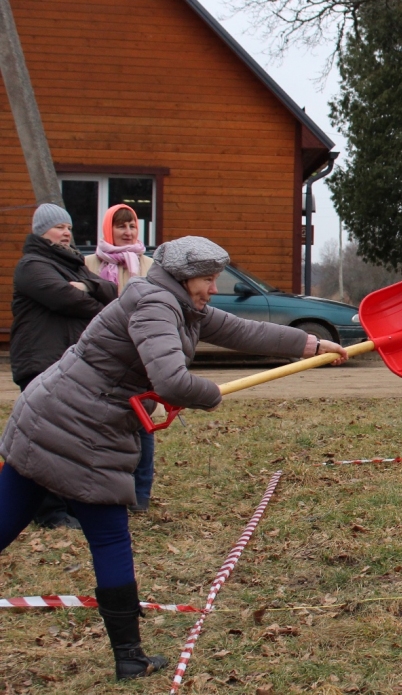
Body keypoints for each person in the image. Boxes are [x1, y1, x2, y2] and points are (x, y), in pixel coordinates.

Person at [0, 236, 347, 680]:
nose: (214, 288)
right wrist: (211, 394)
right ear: (184, 277)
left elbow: (243, 330)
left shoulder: (180, 305)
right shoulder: (156, 306)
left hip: (54, 417)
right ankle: (130, 658)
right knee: (108, 539)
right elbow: (171, 380)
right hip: (78, 429)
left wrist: (311, 345)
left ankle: (129, 656)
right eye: (207, 278)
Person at [9, 203, 119, 529]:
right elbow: (64, 299)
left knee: (72, 437)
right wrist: (93, 299)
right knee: (43, 438)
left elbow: (112, 291)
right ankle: (49, 512)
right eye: (58, 227)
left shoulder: (74, 265)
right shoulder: (31, 265)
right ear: (41, 231)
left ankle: (71, 506)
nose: (67, 232)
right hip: (40, 361)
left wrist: (87, 286)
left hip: (70, 363)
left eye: (68, 227)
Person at [85, 205, 157, 513]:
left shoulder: (149, 266)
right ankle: (98, 492)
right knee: (99, 424)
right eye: (120, 226)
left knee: (142, 422)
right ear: (107, 229)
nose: (127, 232)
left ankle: (140, 494)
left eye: (132, 226)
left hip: (138, 355)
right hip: (100, 356)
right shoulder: (88, 264)